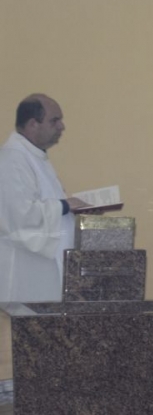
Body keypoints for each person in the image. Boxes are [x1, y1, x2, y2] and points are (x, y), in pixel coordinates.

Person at [0, 94, 91, 302]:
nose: (62, 126)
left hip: (41, 267)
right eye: (54, 120)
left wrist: (75, 210)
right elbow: (19, 216)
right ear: (33, 124)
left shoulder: (34, 157)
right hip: (23, 272)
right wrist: (65, 206)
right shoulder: (12, 159)